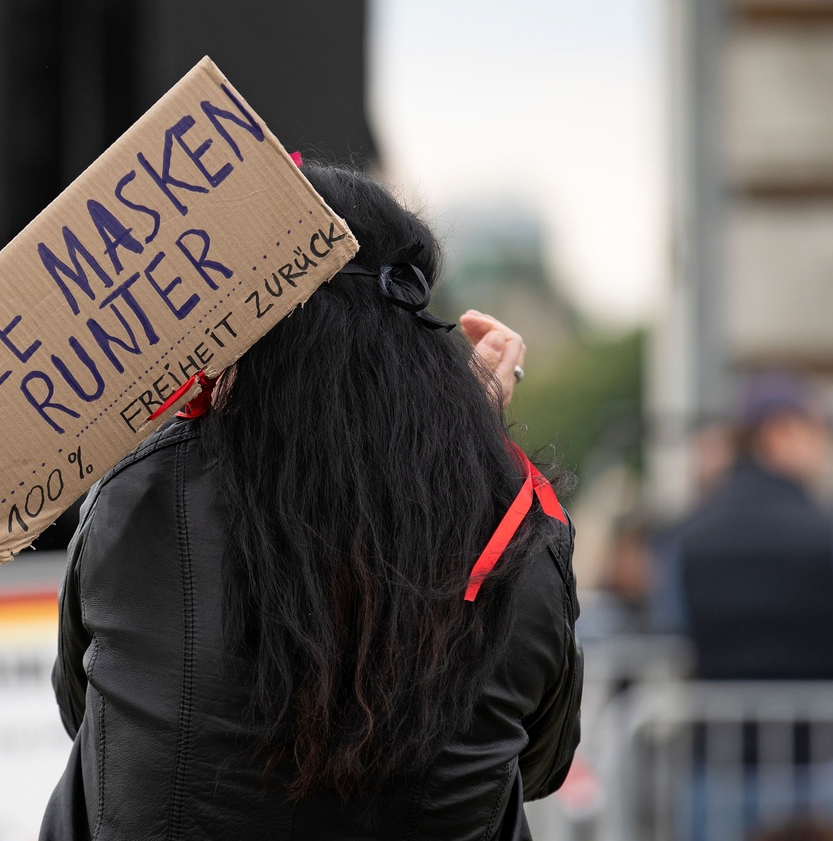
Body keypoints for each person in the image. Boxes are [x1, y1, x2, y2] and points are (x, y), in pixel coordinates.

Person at [41, 162, 581, 839]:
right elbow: (540, 759)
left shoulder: (139, 497)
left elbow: (86, 708)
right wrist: (474, 441)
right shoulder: (516, 533)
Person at [671, 374, 833, 679]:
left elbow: (669, 626)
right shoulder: (823, 531)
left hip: (711, 719)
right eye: (817, 429)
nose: (824, 444)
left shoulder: (689, 532)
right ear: (779, 433)